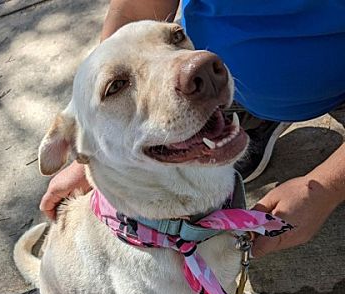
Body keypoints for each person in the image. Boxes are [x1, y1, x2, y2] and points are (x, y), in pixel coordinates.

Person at [40, 0, 345, 258]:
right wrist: (100, 148)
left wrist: (327, 187)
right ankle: (245, 116)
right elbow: (135, 11)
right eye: (117, 87)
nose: (194, 66)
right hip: (236, 94)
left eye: (175, 39)